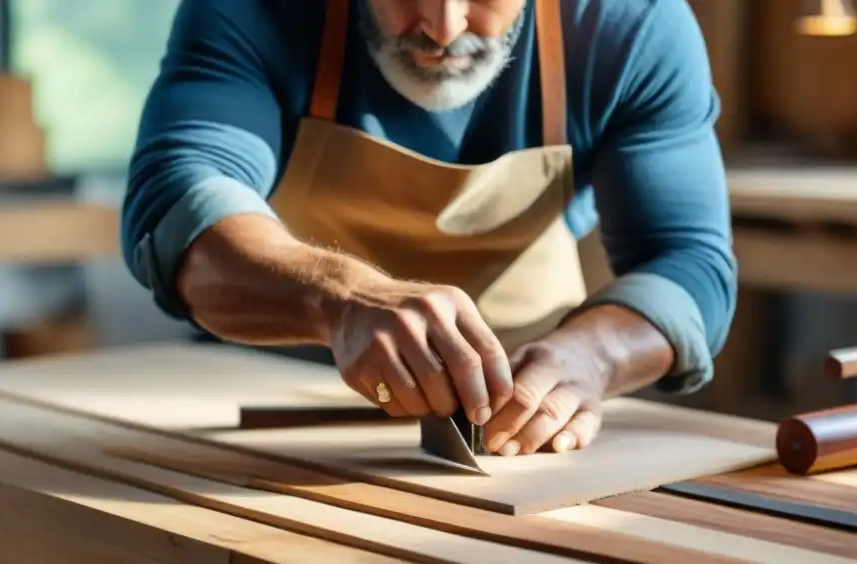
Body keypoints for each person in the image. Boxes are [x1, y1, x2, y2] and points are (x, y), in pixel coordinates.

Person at [121, 0, 736, 457]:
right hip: (267, 416)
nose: (443, 27)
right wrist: (340, 301)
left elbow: (688, 263)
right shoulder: (255, 8)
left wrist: (591, 355)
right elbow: (180, 204)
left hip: (517, 437)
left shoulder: (631, 24)